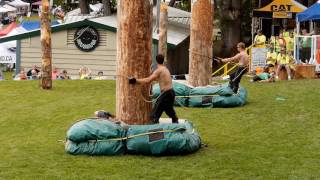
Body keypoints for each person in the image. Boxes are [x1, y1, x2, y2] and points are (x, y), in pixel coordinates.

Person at [128, 54, 178, 124]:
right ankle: (176, 123)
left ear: (156, 61)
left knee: (154, 115)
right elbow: (160, 80)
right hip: (171, 93)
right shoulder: (165, 69)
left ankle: (155, 131)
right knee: (169, 110)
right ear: (163, 61)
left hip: (166, 94)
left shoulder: (159, 71)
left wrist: (135, 80)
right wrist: (152, 73)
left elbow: (148, 80)